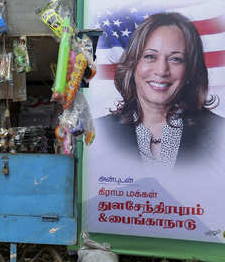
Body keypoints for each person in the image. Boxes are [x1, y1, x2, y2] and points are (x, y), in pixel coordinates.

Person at [95, 12, 224, 171]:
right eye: (150, 56)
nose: (162, 71)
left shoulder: (220, 133)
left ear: (190, 71)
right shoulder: (98, 133)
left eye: (175, 59)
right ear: (133, 65)